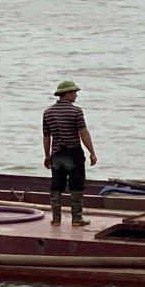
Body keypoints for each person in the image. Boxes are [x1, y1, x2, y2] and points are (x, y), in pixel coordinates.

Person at [42, 79, 98, 227]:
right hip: (74, 153)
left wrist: (47, 155)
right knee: (77, 186)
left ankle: (56, 219)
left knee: (56, 185)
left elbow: (46, 136)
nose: (76, 96)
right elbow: (84, 133)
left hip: (57, 154)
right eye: (74, 93)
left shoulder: (48, 113)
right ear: (66, 94)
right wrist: (92, 152)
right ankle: (76, 219)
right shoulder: (76, 111)